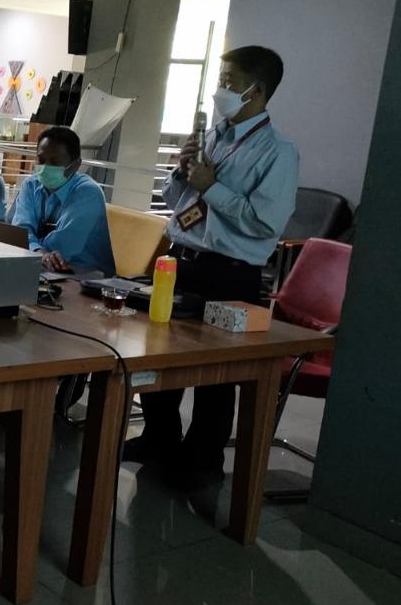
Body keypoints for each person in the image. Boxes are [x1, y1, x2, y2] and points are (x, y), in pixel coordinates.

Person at [128, 45, 299, 490]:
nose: (219, 90)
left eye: (228, 81)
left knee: (217, 373)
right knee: (161, 354)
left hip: (230, 272)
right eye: (220, 80)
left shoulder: (277, 152)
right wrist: (181, 172)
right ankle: (159, 437)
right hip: (182, 260)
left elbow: (265, 222)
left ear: (255, 90)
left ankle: (203, 459)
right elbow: (178, 201)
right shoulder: (214, 137)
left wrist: (213, 187)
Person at [10, 126, 114, 275]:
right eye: (41, 159)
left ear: (76, 165)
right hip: (41, 267)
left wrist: (35, 249)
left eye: (55, 162)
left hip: (86, 276)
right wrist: (39, 251)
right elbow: (20, 231)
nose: (45, 168)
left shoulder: (88, 193)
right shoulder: (31, 185)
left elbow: (62, 247)